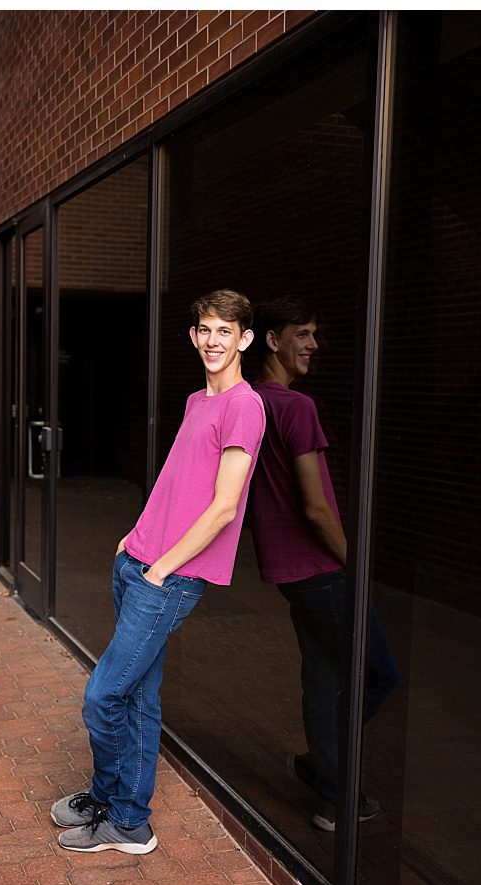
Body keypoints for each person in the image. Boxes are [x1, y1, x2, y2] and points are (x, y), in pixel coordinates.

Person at [52, 290, 265, 854]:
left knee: (103, 697)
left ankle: (122, 812)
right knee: (140, 697)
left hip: (168, 578)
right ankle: (121, 813)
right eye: (206, 330)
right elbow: (176, 482)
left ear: (245, 339)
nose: (214, 340)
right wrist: (134, 537)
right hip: (140, 561)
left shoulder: (245, 406)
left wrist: (160, 569)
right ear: (194, 337)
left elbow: (223, 508)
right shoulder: (200, 401)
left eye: (226, 331)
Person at [245, 296, 398, 832]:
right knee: (379, 674)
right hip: (321, 570)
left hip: (288, 573)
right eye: (303, 333)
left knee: (322, 676)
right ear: (273, 340)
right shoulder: (294, 407)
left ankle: (319, 768)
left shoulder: (250, 404)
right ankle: (335, 791)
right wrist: (352, 563)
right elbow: (314, 505)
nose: (313, 345)